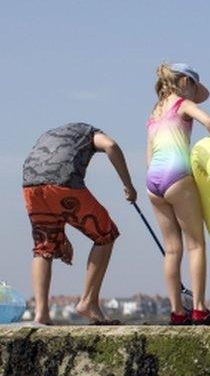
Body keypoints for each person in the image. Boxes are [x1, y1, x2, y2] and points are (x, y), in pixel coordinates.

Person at [22, 123, 137, 325]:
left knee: (43, 247)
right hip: (63, 181)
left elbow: (49, 186)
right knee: (106, 233)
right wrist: (128, 185)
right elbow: (111, 145)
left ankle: (41, 314)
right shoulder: (90, 132)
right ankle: (88, 302)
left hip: (30, 184)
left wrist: (61, 235)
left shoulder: (49, 134)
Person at [146, 62, 210, 325]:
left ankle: (177, 312)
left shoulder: (155, 113)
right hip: (177, 174)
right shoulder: (182, 104)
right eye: (194, 86)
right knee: (196, 244)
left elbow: (149, 156)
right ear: (185, 82)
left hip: (153, 181)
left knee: (172, 250)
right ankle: (199, 308)